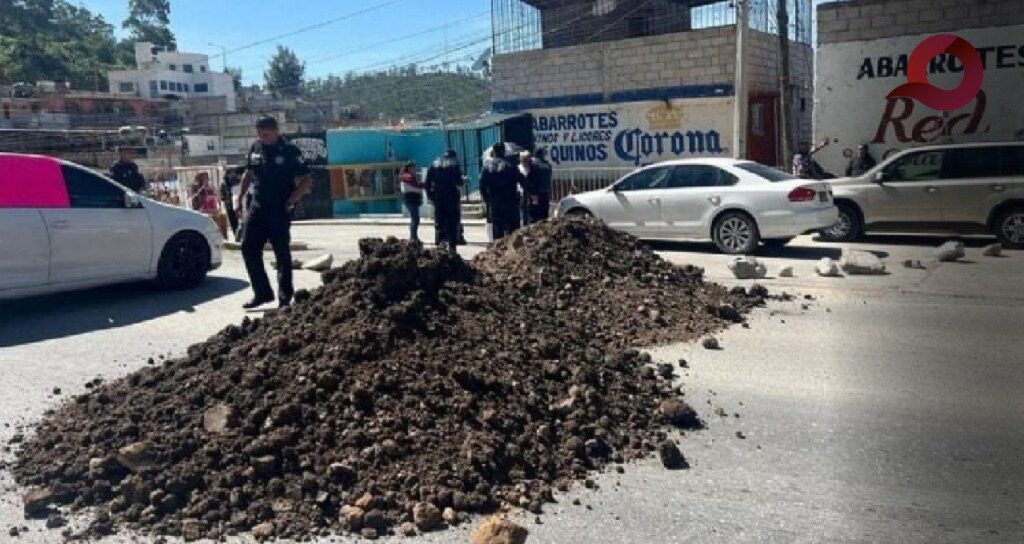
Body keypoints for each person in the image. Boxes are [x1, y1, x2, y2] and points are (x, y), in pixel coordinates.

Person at [236, 116, 313, 309]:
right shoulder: (256, 148)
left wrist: (291, 201)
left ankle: (285, 297)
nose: (264, 138)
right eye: (261, 135)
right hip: (258, 207)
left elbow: (306, 181)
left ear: (277, 131)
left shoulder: (290, 151)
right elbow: (249, 173)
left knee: (282, 254)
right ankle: (262, 293)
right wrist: (240, 197)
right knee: (248, 248)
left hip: (280, 208)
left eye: (267, 134)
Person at [479, 142, 523, 241]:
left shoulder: (487, 167)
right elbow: (522, 180)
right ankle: (514, 254)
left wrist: (487, 200)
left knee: (497, 232)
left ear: (493, 152)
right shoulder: (511, 165)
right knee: (514, 233)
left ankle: (498, 253)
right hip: (511, 203)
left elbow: (482, 185)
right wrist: (530, 193)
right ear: (504, 151)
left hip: (495, 204)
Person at [425, 149, 464, 248]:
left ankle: (440, 245)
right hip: (451, 199)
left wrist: (431, 196)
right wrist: (463, 180)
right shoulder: (454, 166)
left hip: (438, 199)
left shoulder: (434, 165)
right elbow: (458, 181)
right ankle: (452, 247)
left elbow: (427, 183)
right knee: (452, 223)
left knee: (439, 223)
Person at [399, 162, 425, 242]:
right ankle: (413, 236)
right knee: (415, 218)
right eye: (412, 168)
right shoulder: (408, 176)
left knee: (415, 218)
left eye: (414, 167)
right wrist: (423, 186)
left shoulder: (410, 176)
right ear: (409, 168)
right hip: (411, 200)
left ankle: (414, 236)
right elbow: (415, 186)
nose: (414, 169)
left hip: (413, 200)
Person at [527, 148, 553, 224]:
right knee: (544, 215)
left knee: (534, 215)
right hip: (545, 192)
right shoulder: (548, 164)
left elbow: (530, 178)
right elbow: (549, 177)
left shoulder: (533, 164)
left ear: (536, 154)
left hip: (535, 194)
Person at [221, 167, 243, 240]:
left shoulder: (237, 181)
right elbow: (222, 195)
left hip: (237, 204)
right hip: (229, 205)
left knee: (240, 221)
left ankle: (240, 236)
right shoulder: (224, 183)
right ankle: (236, 237)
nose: (231, 175)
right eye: (230, 173)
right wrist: (224, 199)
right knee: (233, 221)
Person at [517, 151, 532, 226]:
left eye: (527, 158)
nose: (526, 160)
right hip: (520, 192)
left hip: (528, 191)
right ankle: (522, 223)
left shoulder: (531, 168)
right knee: (521, 209)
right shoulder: (518, 168)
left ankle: (527, 224)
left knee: (528, 209)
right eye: (524, 158)